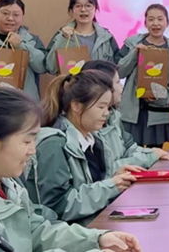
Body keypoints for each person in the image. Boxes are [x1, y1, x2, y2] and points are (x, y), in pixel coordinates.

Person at [0, 88, 142, 252]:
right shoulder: (54, 144)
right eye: (26, 142)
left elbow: (38, 232)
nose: (32, 150)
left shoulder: (11, 187)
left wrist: (96, 239)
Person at [25, 71, 138, 225]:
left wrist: (113, 177)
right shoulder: (53, 145)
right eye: (101, 107)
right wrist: (111, 186)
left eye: (108, 107)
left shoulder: (94, 141)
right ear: (76, 106)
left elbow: (89, 188)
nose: (106, 113)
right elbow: (57, 207)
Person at [81, 60, 169, 176]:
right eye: (117, 82)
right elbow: (106, 169)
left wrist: (152, 152)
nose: (122, 86)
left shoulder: (114, 116)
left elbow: (129, 148)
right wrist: (150, 156)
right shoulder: (90, 124)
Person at [117, 5, 169, 148]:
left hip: (158, 114)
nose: (155, 23)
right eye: (151, 19)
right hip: (132, 113)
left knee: (156, 155)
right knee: (132, 154)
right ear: (145, 23)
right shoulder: (132, 43)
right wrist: (135, 54)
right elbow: (119, 72)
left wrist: (160, 96)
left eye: (160, 19)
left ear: (167, 23)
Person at [0, 0, 46, 100]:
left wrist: (20, 46)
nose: (10, 18)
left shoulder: (33, 40)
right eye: (5, 13)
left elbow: (42, 67)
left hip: (25, 102)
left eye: (16, 15)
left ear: (22, 17)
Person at [46, 0, 119, 75]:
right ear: (71, 11)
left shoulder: (106, 38)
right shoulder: (61, 35)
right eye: (78, 6)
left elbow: (116, 69)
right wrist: (63, 39)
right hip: (71, 83)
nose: (83, 9)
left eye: (88, 6)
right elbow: (50, 67)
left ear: (95, 9)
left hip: (99, 83)